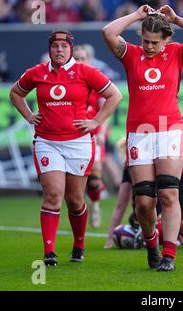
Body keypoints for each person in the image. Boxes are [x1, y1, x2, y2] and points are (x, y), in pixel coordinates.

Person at [102, 4, 183, 272]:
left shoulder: (176, 54)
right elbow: (108, 31)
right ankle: (151, 245)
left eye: (154, 42)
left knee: (169, 194)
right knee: (143, 202)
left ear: (167, 39)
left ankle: (169, 255)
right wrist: (137, 16)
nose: (149, 46)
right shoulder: (131, 55)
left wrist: (176, 19)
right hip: (138, 133)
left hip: (169, 128)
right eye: (145, 41)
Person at [9, 30, 122, 266]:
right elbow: (16, 93)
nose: (59, 50)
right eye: (55, 46)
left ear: (71, 49)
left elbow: (115, 95)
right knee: (52, 195)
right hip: (47, 142)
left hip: (78, 143)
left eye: (64, 46)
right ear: (49, 49)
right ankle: (49, 253)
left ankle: (78, 246)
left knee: (75, 200)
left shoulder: (86, 71)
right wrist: (29, 115)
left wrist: (96, 122)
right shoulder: (37, 73)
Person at [73, 45, 110, 229]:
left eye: (83, 58)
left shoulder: (97, 81)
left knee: (94, 180)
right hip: (72, 138)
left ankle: (95, 205)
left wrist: (102, 133)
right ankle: (81, 209)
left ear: (89, 60)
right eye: (76, 58)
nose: (79, 61)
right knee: (79, 181)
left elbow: (107, 109)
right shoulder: (67, 82)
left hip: (93, 137)